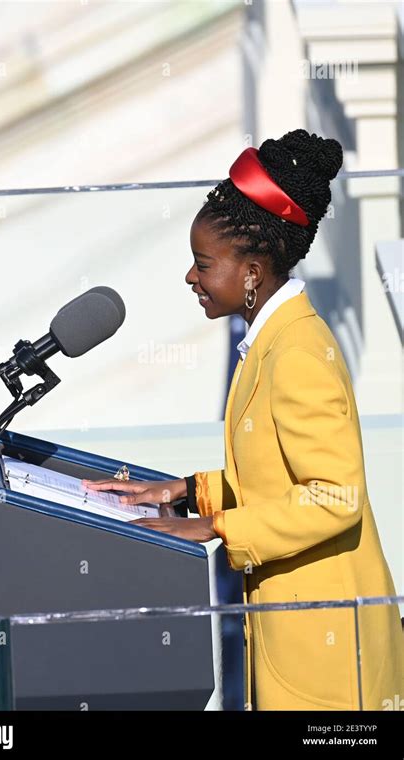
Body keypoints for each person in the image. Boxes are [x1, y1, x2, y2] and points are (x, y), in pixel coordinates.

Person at [83, 129, 403, 711]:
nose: (190, 277)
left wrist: (218, 528)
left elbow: (336, 495)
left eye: (203, 265)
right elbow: (278, 472)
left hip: (328, 668)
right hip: (298, 643)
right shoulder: (273, 340)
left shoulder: (298, 352)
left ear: (252, 272)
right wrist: (186, 491)